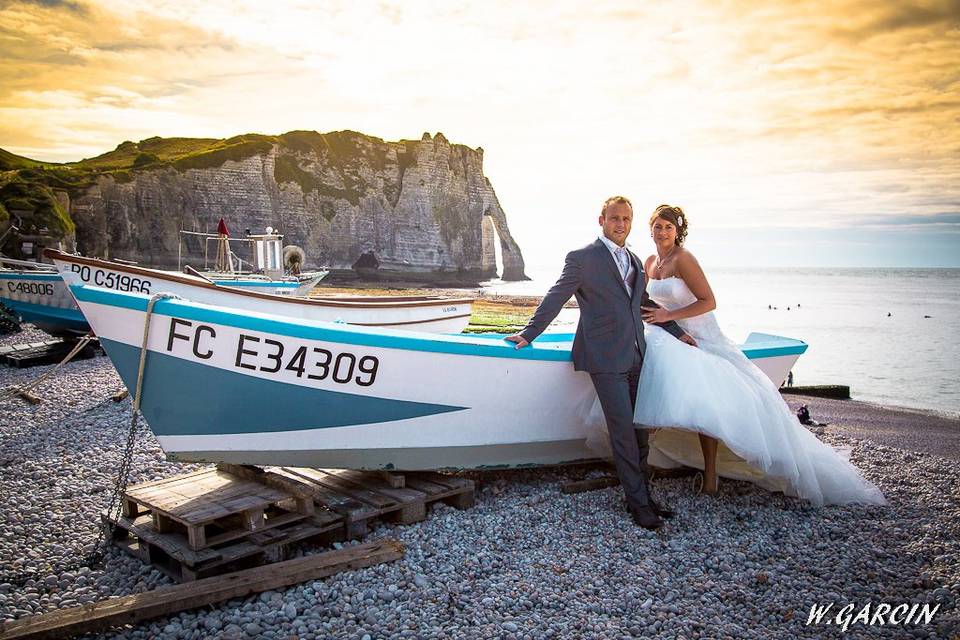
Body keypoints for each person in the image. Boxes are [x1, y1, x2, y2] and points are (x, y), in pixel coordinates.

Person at [623, 204, 884, 506]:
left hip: (701, 336)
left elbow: (709, 301)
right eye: (658, 226)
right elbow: (646, 300)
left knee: (709, 405)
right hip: (670, 335)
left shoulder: (684, 259)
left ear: (678, 231)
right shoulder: (651, 260)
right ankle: (641, 462)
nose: (663, 231)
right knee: (671, 391)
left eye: (669, 227)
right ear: (650, 228)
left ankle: (710, 477)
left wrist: (671, 314)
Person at [505, 196, 697, 529]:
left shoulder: (635, 261)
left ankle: (644, 496)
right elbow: (556, 295)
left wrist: (678, 332)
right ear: (601, 220)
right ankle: (639, 507)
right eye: (614, 219)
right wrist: (530, 332)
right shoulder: (583, 258)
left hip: (637, 354)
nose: (620, 224)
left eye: (626, 219)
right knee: (622, 432)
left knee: (640, 433)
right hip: (604, 358)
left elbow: (645, 304)